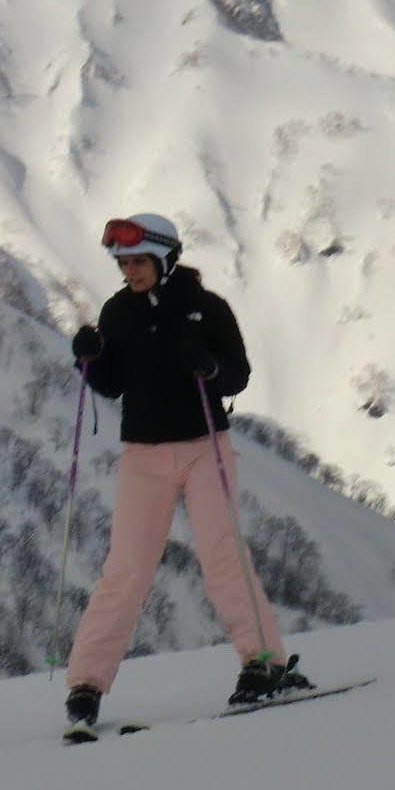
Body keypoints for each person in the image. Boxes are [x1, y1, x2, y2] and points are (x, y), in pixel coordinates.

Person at [61, 212, 310, 735]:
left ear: (165, 259)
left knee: (222, 556)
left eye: (139, 262)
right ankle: (85, 686)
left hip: (204, 448)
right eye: (124, 263)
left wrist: (211, 368)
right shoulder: (117, 312)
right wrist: (89, 360)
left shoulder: (207, 308)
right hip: (143, 455)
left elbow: (238, 375)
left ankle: (264, 663)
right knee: (125, 569)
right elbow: (111, 384)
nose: (131, 272)